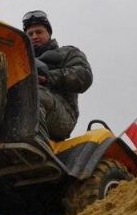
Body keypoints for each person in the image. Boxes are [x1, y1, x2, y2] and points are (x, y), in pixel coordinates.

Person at [22, 10, 93, 141]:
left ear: (49, 33)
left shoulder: (67, 53)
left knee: (34, 94)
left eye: (39, 32)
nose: (34, 36)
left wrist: (49, 78)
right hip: (25, 108)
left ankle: (34, 142)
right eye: (30, 34)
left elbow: (84, 76)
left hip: (64, 116)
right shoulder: (21, 60)